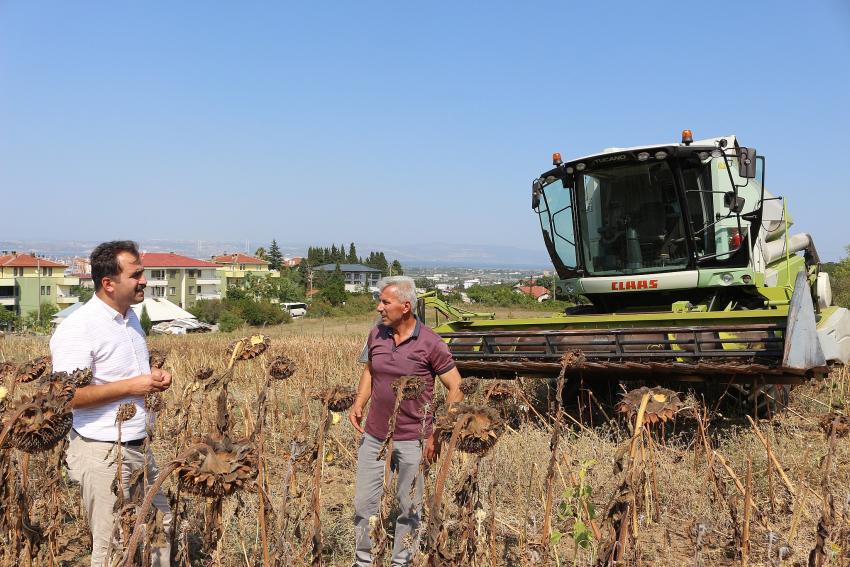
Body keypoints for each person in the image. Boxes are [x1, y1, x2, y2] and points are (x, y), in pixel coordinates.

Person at [51, 241, 173, 566]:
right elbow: (66, 396)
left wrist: (152, 377)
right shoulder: (78, 328)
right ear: (109, 283)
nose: (144, 281)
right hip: (102, 452)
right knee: (111, 548)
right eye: (136, 275)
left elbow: (122, 375)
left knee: (160, 529)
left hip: (138, 446)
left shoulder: (130, 319)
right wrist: (134, 385)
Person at [349, 276, 463, 566]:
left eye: (385, 302)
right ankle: (363, 561)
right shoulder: (377, 335)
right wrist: (359, 401)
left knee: (408, 507)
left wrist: (438, 433)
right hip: (375, 435)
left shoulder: (431, 343)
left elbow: (456, 387)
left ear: (406, 306)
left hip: (414, 439)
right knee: (364, 504)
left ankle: (402, 561)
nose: (379, 307)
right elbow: (370, 371)